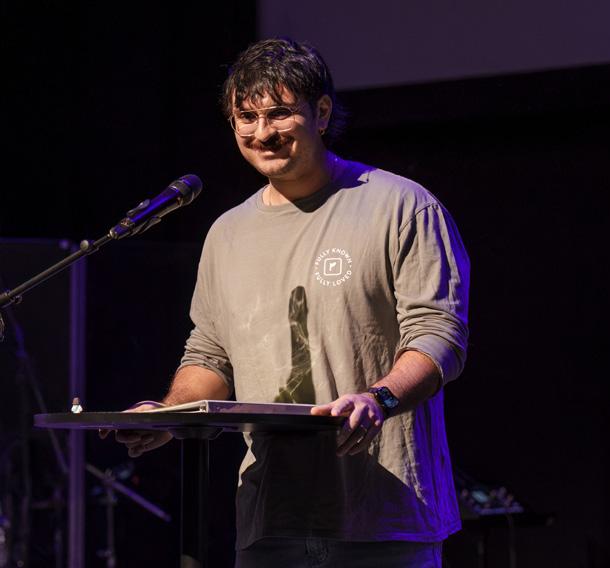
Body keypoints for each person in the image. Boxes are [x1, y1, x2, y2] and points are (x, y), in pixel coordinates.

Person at [107, 38, 470, 567]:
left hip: (383, 516)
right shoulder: (227, 233)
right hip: (271, 519)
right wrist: (168, 415)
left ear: (321, 112)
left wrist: (379, 398)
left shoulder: (401, 206)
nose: (263, 133)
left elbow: (440, 335)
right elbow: (211, 354)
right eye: (246, 117)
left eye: (279, 113)